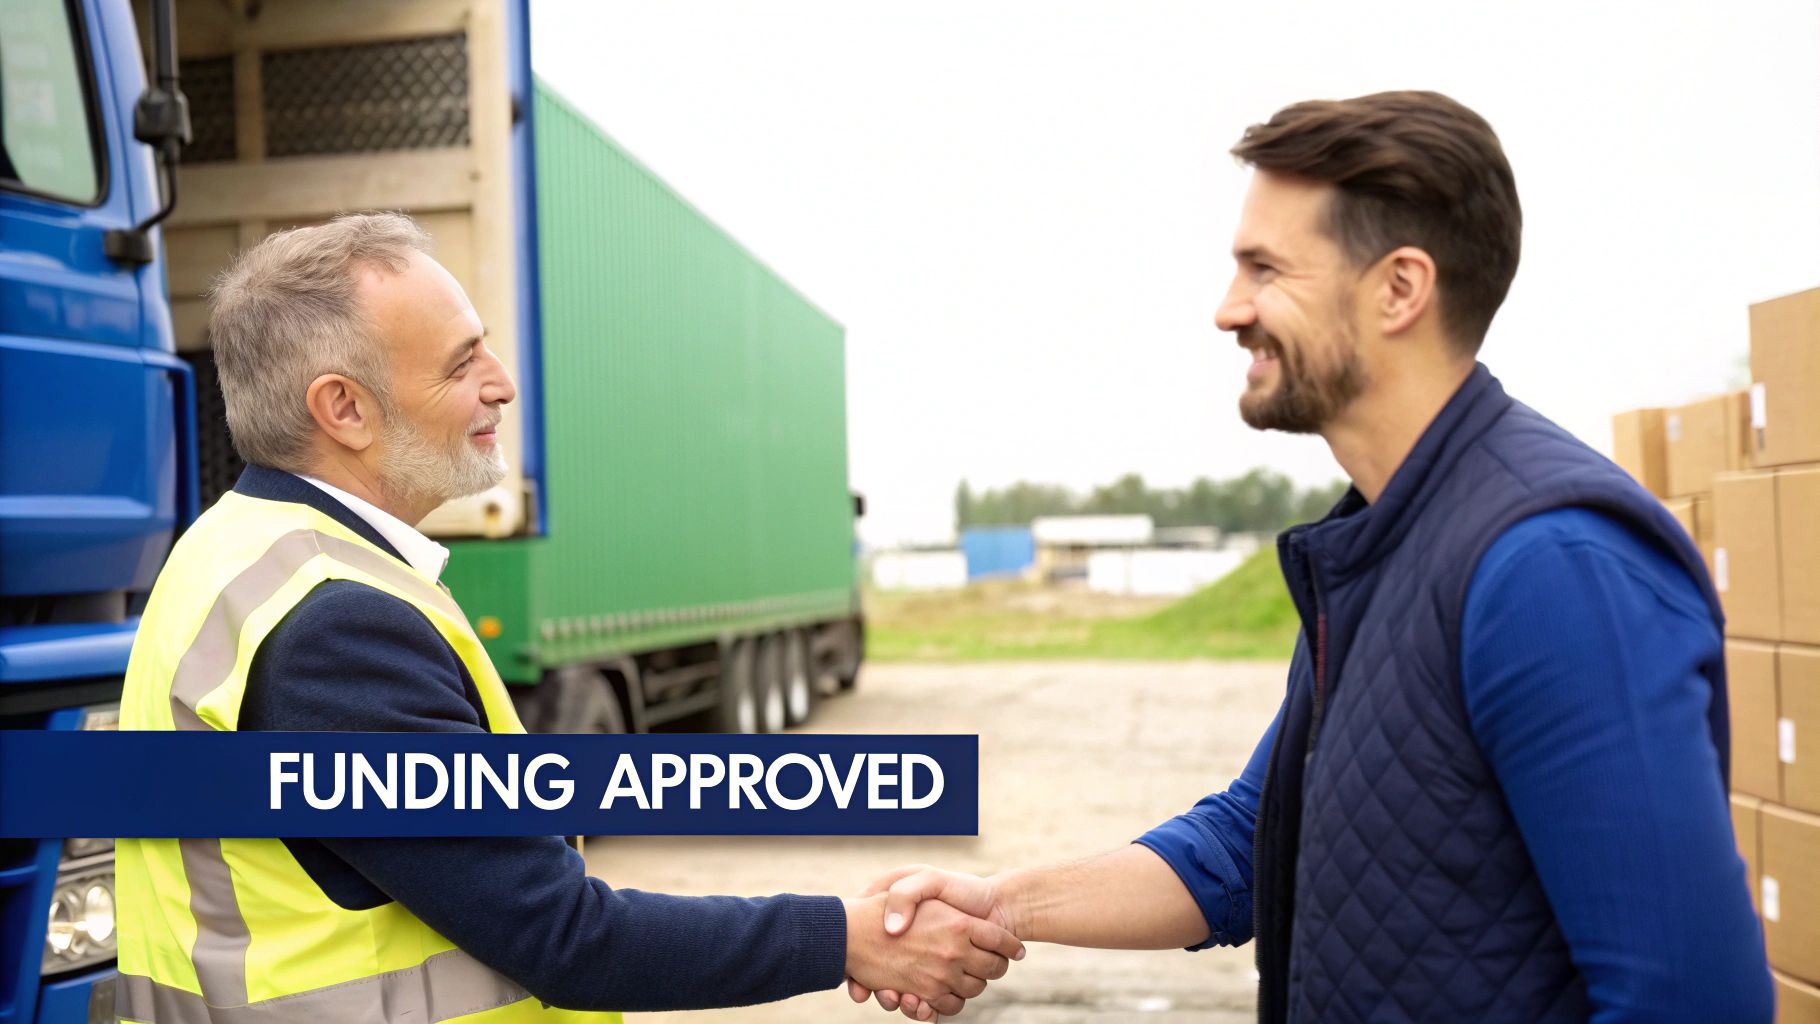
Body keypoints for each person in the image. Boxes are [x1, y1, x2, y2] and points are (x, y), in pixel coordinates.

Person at [850, 90, 1775, 1022]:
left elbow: (1695, 1001)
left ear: (1400, 289)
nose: (1228, 310)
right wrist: (1006, 904)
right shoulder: (1386, 540)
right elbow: (1256, 840)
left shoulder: (1552, 569)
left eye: (1265, 269)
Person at [113, 213, 1023, 1023]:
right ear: (342, 408)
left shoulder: (233, 550)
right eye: (462, 361)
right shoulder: (333, 627)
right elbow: (562, 934)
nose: (502, 384)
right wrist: (848, 936)